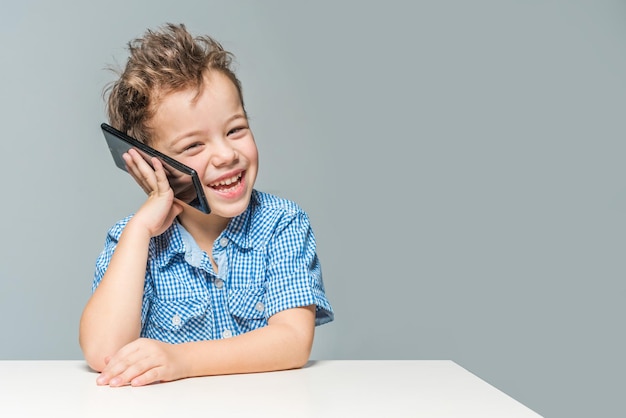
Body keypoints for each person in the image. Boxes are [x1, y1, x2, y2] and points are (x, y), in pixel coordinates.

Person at [79, 23, 334, 387]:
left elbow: (292, 342)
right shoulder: (131, 241)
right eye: (194, 146)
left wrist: (180, 360)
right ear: (153, 163)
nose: (227, 154)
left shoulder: (282, 223)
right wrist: (139, 233)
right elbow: (103, 351)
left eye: (235, 130)